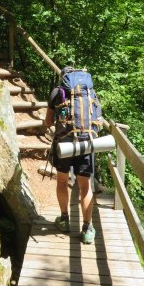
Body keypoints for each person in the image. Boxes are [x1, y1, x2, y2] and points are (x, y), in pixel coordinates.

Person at [44, 66, 96, 245]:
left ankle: (65, 219)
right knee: (85, 187)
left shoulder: (57, 92)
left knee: (61, 181)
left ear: (63, 78)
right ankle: (87, 229)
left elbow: (48, 121)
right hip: (85, 143)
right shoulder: (89, 92)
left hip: (64, 144)